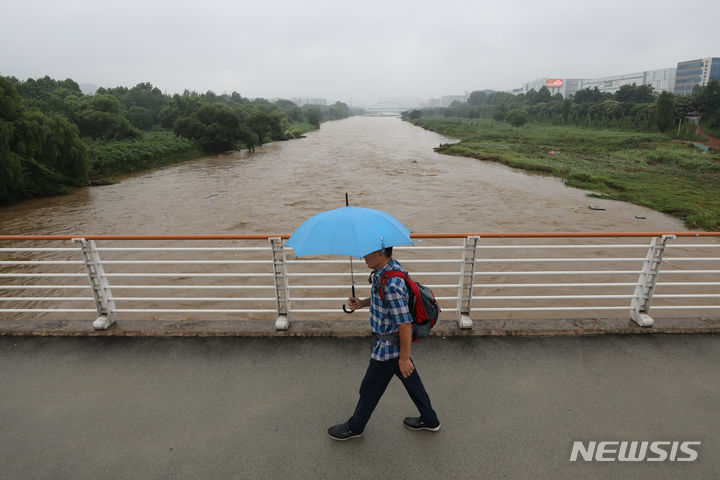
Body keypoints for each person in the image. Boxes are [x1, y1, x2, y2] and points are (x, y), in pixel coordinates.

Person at [327, 246, 440, 440]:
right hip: (392, 344)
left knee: (370, 389)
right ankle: (430, 420)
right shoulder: (386, 270)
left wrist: (404, 358)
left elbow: (404, 323)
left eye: (367, 252)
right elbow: (383, 300)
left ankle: (355, 427)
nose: (363, 256)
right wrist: (362, 303)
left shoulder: (392, 284)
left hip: (389, 348)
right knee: (412, 382)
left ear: (380, 252)